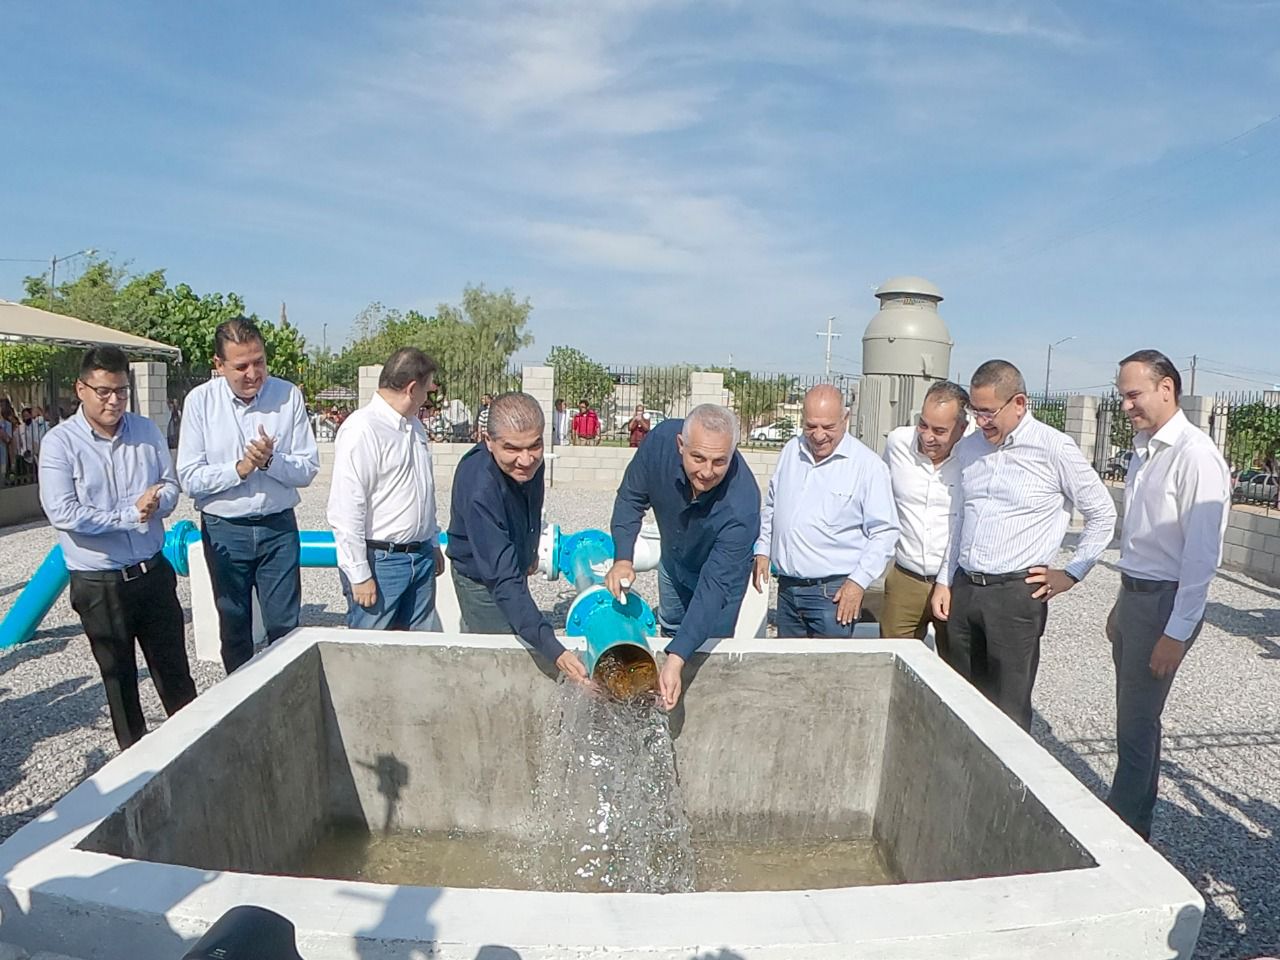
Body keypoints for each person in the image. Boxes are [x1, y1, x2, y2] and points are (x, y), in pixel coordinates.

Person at [930, 360, 1116, 730]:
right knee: (959, 701)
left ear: (1019, 403)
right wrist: (944, 580)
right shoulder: (969, 450)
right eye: (975, 412)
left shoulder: (1054, 448)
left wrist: (1073, 572)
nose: (981, 422)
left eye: (988, 413)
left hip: (1016, 597)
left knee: (1009, 710)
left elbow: (1103, 513)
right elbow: (960, 518)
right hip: (966, 590)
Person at [38, 347, 196, 750]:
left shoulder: (146, 431)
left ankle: (194, 754)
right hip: (100, 585)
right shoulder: (60, 444)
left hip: (153, 575)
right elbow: (64, 512)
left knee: (176, 676)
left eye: (122, 392)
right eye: (104, 392)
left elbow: (170, 485)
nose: (114, 401)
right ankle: (136, 772)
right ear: (81, 388)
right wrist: (131, 514)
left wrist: (158, 503)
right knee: (120, 684)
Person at [1106, 350, 1230, 840]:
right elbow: (1143, 541)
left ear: (1167, 388)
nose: (1126, 406)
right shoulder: (1145, 448)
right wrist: (1121, 603)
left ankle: (1124, 833)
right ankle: (1134, 822)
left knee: (1135, 725)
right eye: (1121, 396)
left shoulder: (1195, 456)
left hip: (1164, 603)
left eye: (1133, 395)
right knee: (1136, 719)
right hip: (1137, 596)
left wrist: (1175, 633)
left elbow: (1201, 558)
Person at [177, 316, 320, 674]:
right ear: (219, 365)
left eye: (259, 362)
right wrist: (239, 470)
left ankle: (287, 703)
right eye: (241, 366)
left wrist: (270, 461)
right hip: (225, 530)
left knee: (286, 628)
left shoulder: (287, 395)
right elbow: (190, 478)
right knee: (235, 627)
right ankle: (241, 709)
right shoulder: (200, 403)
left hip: (278, 529)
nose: (253, 373)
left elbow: (307, 469)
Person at [605, 404, 760, 708]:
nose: (706, 471)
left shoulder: (743, 505)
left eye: (719, 462)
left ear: (733, 452)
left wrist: (678, 659)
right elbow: (630, 498)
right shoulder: (659, 444)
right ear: (680, 445)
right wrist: (623, 557)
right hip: (674, 562)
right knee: (672, 628)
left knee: (705, 653)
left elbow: (714, 589)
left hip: (720, 582)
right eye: (697, 457)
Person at [446, 392, 587, 682]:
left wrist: (530, 550)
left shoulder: (530, 462)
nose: (525, 460)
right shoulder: (480, 491)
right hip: (480, 581)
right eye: (511, 449)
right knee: (501, 662)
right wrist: (554, 649)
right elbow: (502, 580)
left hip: (509, 566)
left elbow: (532, 505)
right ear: (488, 441)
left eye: (534, 446)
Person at [752, 385, 898, 637]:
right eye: (810, 426)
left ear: (845, 419)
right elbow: (773, 506)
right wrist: (763, 549)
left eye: (828, 427)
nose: (818, 435)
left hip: (833, 596)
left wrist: (858, 582)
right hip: (787, 590)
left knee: (830, 673)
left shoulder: (868, 467)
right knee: (787, 670)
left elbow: (885, 532)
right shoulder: (791, 452)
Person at [328, 348, 445, 631]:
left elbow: (421, 491)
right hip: (381, 563)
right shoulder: (362, 430)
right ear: (412, 388)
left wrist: (431, 541)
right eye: (427, 391)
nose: (427, 399)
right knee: (371, 659)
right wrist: (359, 574)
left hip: (420, 558)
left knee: (419, 654)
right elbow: (347, 508)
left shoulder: (414, 427)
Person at [880, 381, 968, 654]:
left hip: (956, 583)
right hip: (906, 578)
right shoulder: (897, 444)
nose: (927, 436)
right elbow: (879, 499)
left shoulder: (975, 454)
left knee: (956, 674)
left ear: (962, 429)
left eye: (940, 430)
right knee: (893, 665)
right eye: (923, 425)